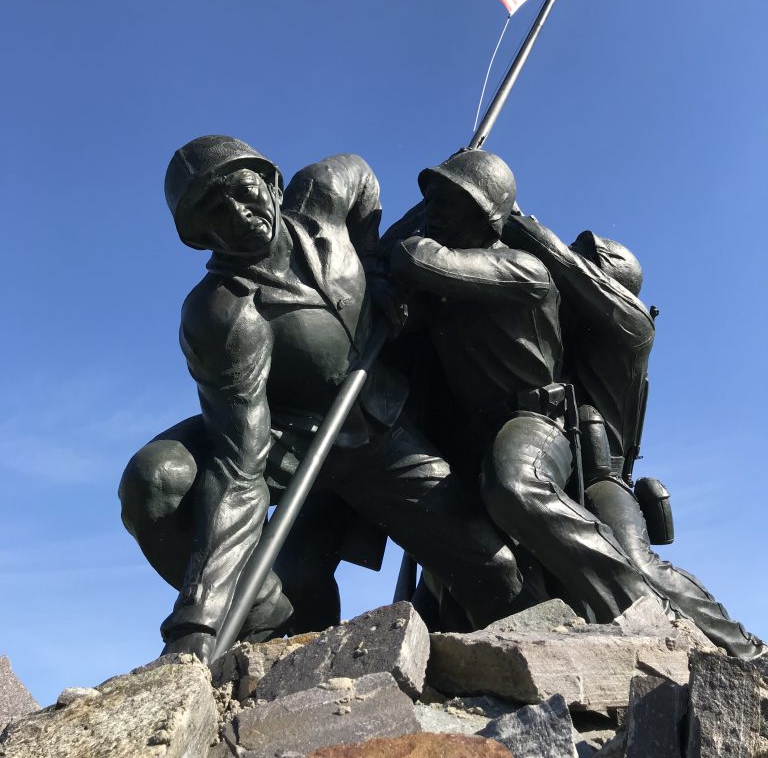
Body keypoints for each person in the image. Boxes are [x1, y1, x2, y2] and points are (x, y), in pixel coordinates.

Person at [119, 136, 523, 659]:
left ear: (272, 182)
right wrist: (200, 618)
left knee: (495, 568)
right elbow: (239, 464)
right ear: (198, 237)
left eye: (245, 192)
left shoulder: (324, 193)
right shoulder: (220, 314)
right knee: (156, 479)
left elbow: (362, 175)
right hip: (288, 445)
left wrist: (375, 266)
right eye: (215, 213)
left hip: (381, 433)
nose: (240, 216)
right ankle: (263, 608)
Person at [389, 149, 683, 627]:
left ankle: (647, 615)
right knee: (452, 550)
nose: (435, 211)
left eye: (447, 201)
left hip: (554, 438)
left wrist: (418, 229)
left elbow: (421, 259)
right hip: (476, 436)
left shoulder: (536, 276)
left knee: (519, 487)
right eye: (432, 201)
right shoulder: (456, 294)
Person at [501, 214, 763, 658]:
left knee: (638, 563)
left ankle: (746, 651)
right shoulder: (569, 328)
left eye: (587, 260)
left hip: (604, 475)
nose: (575, 263)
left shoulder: (632, 326)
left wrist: (507, 214)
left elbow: (563, 265)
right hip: (559, 461)